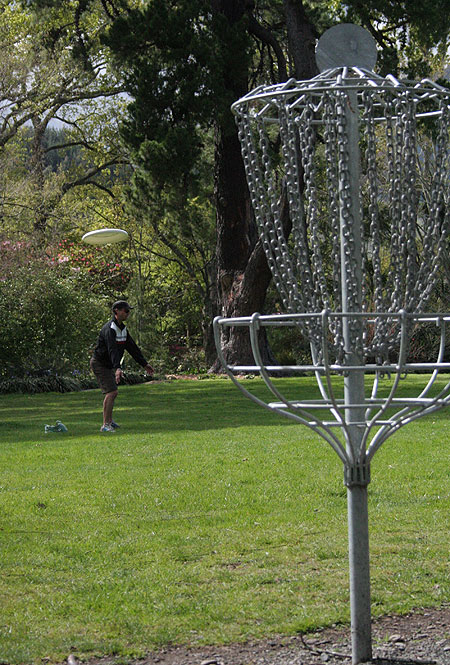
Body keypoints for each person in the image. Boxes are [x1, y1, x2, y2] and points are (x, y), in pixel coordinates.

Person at [90, 300, 153, 432]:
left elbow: (132, 348)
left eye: (128, 311)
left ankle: (110, 421)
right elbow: (112, 349)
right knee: (111, 392)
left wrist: (144, 364)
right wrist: (117, 368)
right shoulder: (110, 329)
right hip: (100, 363)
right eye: (126, 311)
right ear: (116, 311)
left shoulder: (123, 329)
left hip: (109, 364)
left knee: (112, 392)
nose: (128, 314)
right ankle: (105, 425)